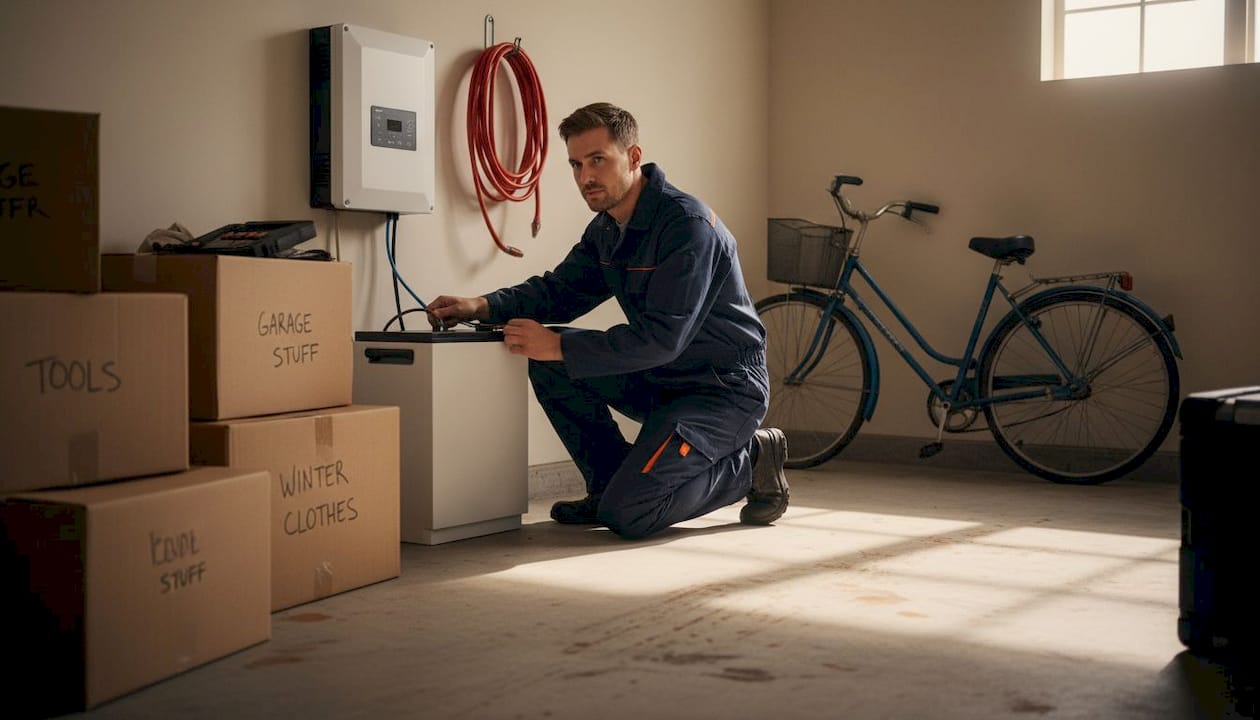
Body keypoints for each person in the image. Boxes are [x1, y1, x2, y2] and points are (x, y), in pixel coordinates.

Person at [427, 102, 787, 540]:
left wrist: (559, 345)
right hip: (662, 377)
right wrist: (480, 305)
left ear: (633, 158)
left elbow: (662, 338)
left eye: (598, 160)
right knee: (547, 358)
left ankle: (751, 462)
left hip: (722, 389)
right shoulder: (607, 229)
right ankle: (608, 487)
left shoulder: (687, 227)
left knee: (631, 515)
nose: (585, 178)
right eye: (576, 165)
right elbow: (558, 291)